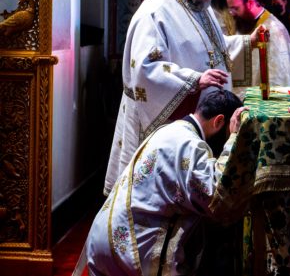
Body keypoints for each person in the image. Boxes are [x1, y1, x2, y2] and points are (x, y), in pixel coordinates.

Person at [104, 0, 263, 196]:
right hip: (160, 118)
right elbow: (145, 68)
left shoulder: (198, 4)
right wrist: (195, 80)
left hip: (195, 117)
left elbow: (213, 48)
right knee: (153, 193)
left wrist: (247, 41)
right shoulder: (155, 11)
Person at [86, 89, 246, 276]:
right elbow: (216, 196)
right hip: (130, 249)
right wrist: (234, 139)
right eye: (227, 132)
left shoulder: (171, 129)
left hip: (104, 235)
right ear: (218, 121)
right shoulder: (190, 144)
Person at [227, 0, 290, 88]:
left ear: (250, 3)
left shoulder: (274, 30)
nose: (231, 13)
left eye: (235, 8)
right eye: (230, 9)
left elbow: (279, 78)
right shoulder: (242, 23)